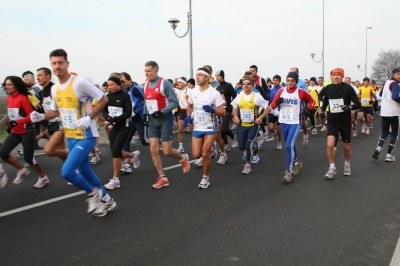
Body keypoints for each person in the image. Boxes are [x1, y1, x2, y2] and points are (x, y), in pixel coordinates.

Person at [30, 49, 116, 217]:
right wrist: (41, 115)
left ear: (67, 64)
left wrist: (90, 116)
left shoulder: (80, 83)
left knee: (67, 171)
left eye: (60, 62)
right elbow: (55, 112)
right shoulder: (55, 89)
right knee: (85, 172)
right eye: (54, 63)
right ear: (51, 66)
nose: (57, 66)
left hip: (86, 135)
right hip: (70, 136)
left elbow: (103, 99)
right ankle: (108, 200)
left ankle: (94, 193)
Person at [142, 61, 190, 189]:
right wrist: (145, 115)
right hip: (153, 120)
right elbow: (146, 102)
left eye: (149, 71)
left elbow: (175, 102)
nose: (146, 74)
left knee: (167, 151)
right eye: (145, 71)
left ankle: (182, 157)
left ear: (156, 71)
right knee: (153, 149)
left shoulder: (164, 83)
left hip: (165, 119)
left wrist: (162, 111)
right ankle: (162, 177)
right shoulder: (145, 84)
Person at [0, 76, 49, 189]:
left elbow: (31, 116)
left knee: (28, 157)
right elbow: (14, 114)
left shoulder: (22, 98)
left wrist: (17, 122)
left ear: (16, 86)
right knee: (3, 153)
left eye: (10, 85)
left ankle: (43, 177)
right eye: (6, 85)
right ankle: (21, 170)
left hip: (27, 132)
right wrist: (10, 121)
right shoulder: (9, 99)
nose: (7, 87)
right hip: (15, 132)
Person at [184, 67, 225, 188]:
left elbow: (222, 112)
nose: (197, 77)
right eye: (196, 75)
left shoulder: (214, 93)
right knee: (196, 155)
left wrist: (213, 110)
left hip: (210, 127)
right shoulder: (192, 92)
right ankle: (211, 148)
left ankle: (205, 178)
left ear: (207, 77)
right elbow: (189, 105)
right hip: (197, 127)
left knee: (205, 154)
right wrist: (188, 117)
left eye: (200, 75)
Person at [271, 72, 314, 183]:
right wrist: (277, 102)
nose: (290, 83)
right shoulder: (281, 91)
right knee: (290, 144)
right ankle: (296, 162)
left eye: (292, 81)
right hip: (283, 121)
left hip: (295, 122)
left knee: (289, 145)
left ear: (296, 81)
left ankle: (288, 171)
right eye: (288, 80)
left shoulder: (301, 92)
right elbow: (273, 105)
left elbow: (311, 101)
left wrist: (308, 109)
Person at [320, 68, 360, 179]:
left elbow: (357, 104)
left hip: (345, 122)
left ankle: (347, 163)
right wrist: (322, 110)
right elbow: (325, 99)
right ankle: (332, 167)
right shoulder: (328, 88)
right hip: (332, 121)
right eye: (334, 74)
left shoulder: (348, 88)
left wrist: (349, 107)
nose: (336, 77)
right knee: (330, 145)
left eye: (338, 75)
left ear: (342, 76)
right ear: (331, 76)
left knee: (346, 147)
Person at [101, 77, 140, 189]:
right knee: (115, 152)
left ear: (118, 84)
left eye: (112, 84)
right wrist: (107, 117)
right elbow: (103, 109)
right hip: (113, 127)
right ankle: (133, 154)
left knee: (115, 152)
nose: (110, 87)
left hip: (124, 127)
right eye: (108, 85)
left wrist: (115, 118)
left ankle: (115, 180)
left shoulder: (125, 96)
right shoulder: (108, 96)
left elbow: (128, 113)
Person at [231, 75, 270, 174]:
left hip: (253, 125)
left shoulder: (257, 96)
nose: (246, 85)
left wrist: (261, 118)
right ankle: (255, 148)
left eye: (248, 84)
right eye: (244, 84)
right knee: (241, 147)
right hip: (241, 125)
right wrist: (235, 116)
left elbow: (268, 108)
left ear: (252, 85)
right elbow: (234, 107)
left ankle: (247, 165)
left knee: (248, 145)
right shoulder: (240, 95)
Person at [120, 72, 149, 173]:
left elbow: (146, 101)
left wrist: (136, 111)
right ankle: (127, 165)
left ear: (129, 80)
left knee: (145, 142)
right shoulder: (124, 90)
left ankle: (160, 140)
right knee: (125, 140)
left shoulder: (135, 88)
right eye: (121, 82)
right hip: (129, 120)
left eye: (123, 81)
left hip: (139, 119)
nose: (122, 83)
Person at [372, 67, 400, 162]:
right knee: (395, 133)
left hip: (384, 111)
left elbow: (380, 95)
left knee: (384, 131)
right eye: (398, 74)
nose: (399, 76)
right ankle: (389, 154)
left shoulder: (386, 82)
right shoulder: (395, 84)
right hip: (394, 111)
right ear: (394, 75)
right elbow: (395, 97)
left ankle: (379, 148)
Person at [215, 70, 236, 155]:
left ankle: (232, 136)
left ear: (222, 76)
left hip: (227, 110)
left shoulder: (228, 86)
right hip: (218, 110)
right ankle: (226, 145)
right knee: (221, 131)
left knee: (224, 128)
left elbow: (234, 97)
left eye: (218, 76)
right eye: (216, 76)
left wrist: (232, 109)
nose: (217, 77)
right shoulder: (215, 87)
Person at [289, 67, 309, 146]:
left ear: (297, 73)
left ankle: (305, 134)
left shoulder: (301, 83)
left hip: (301, 106)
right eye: (291, 72)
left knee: (303, 123)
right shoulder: (288, 82)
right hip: (290, 106)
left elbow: (307, 94)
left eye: (294, 72)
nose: (292, 73)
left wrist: (307, 107)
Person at [268, 75, 283, 149]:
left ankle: (279, 142)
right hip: (272, 111)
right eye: (274, 80)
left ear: (279, 81)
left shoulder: (282, 89)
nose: (275, 81)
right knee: (270, 128)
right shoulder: (270, 90)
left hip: (280, 111)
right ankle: (275, 133)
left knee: (279, 129)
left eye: (277, 80)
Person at [176, 77, 189, 153]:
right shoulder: (178, 92)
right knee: (180, 129)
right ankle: (181, 146)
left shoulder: (189, 91)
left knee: (192, 130)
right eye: (178, 82)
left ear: (184, 83)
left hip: (190, 111)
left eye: (180, 82)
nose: (178, 84)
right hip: (182, 111)